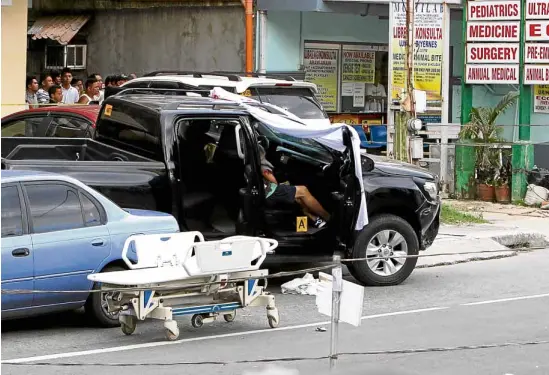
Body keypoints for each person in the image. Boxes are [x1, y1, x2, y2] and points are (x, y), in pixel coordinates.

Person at [259, 145, 329, 228]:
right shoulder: (262, 165)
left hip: (265, 190)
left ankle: (314, 218)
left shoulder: (250, 161)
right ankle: (328, 218)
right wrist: (279, 184)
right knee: (303, 190)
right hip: (269, 192)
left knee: (297, 196)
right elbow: (271, 179)